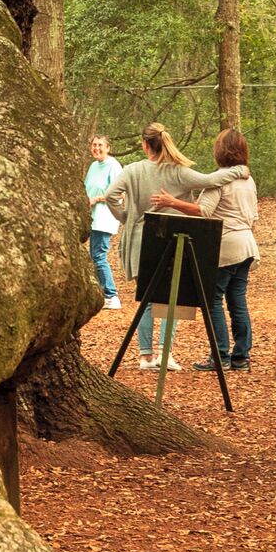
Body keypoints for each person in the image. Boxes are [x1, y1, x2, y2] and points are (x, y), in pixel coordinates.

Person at [118, 123, 225, 371]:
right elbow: (211, 180)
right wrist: (238, 169)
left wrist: (124, 216)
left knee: (146, 297)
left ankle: (145, 356)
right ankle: (165, 354)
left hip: (142, 239)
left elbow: (112, 194)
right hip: (173, 239)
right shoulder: (179, 172)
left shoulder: (134, 171)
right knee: (171, 298)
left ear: (145, 145)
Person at [209, 126, 261, 373]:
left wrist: (172, 203)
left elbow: (203, 211)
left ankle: (220, 354)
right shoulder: (248, 180)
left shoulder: (219, 179)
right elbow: (253, 216)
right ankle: (241, 355)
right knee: (237, 299)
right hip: (247, 244)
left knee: (213, 300)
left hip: (227, 245)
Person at [81, 133, 123, 314]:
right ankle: (100, 293)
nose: (96, 148)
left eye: (100, 145)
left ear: (107, 147)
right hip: (92, 218)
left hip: (104, 218)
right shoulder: (93, 166)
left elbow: (120, 193)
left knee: (99, 256)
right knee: (93, 257)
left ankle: (112, 295)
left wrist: (98, 198)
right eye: (94, 145)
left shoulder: (113, 165)